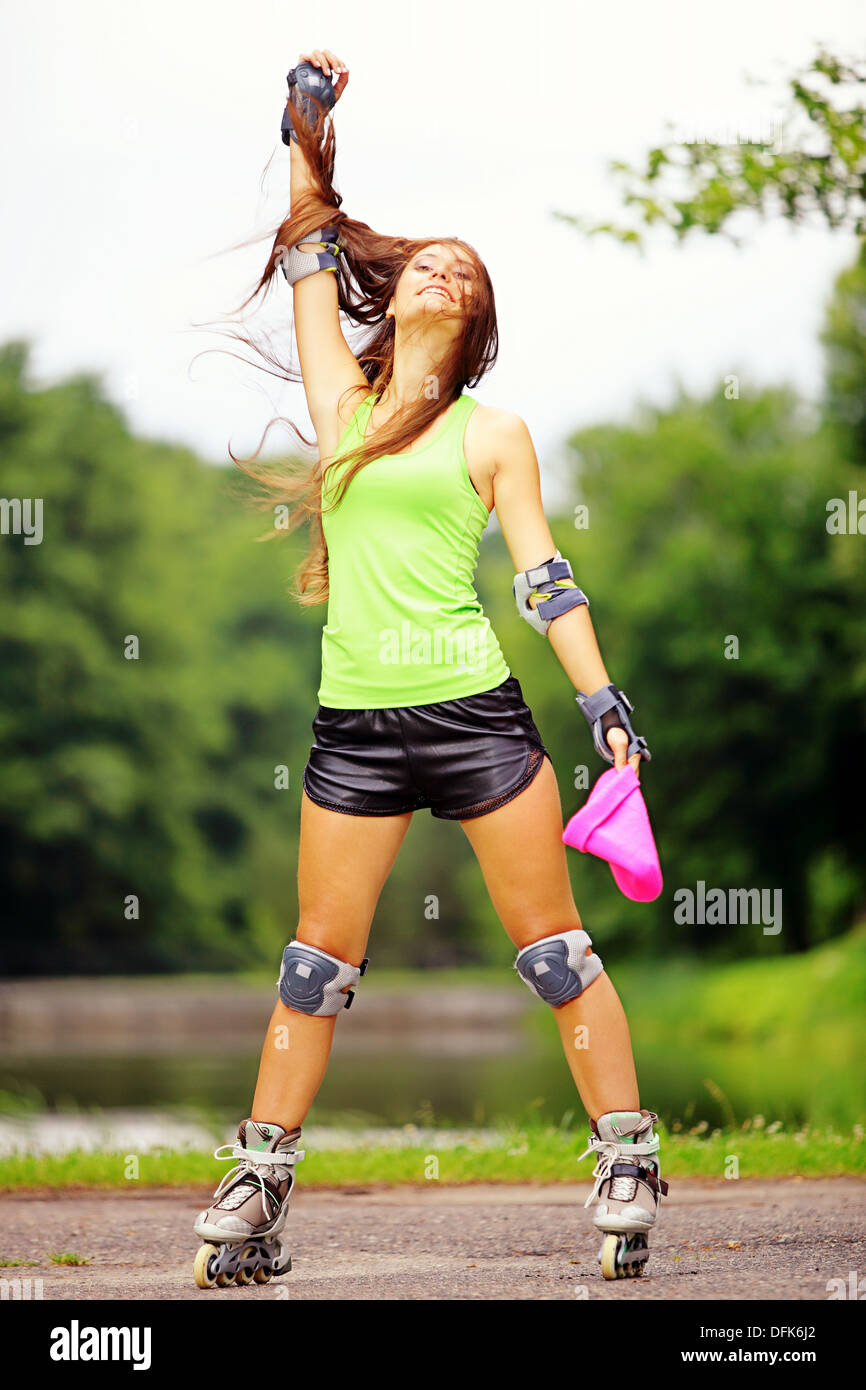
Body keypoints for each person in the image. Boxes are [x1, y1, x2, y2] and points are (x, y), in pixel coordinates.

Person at [193, 47, 667, 1289]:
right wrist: (301, 128)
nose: (441, 275)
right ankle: (257, 1185)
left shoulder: (492, 432)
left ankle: (624, 1158)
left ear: (473, 319)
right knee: (313, 962)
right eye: (431, 264)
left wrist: (600, 699)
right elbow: (305, 247)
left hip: (476, 718)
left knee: (552, 951)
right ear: (399, 290)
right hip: (352, 725)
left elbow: (543, 577)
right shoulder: (340, 402)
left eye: (466, 273)